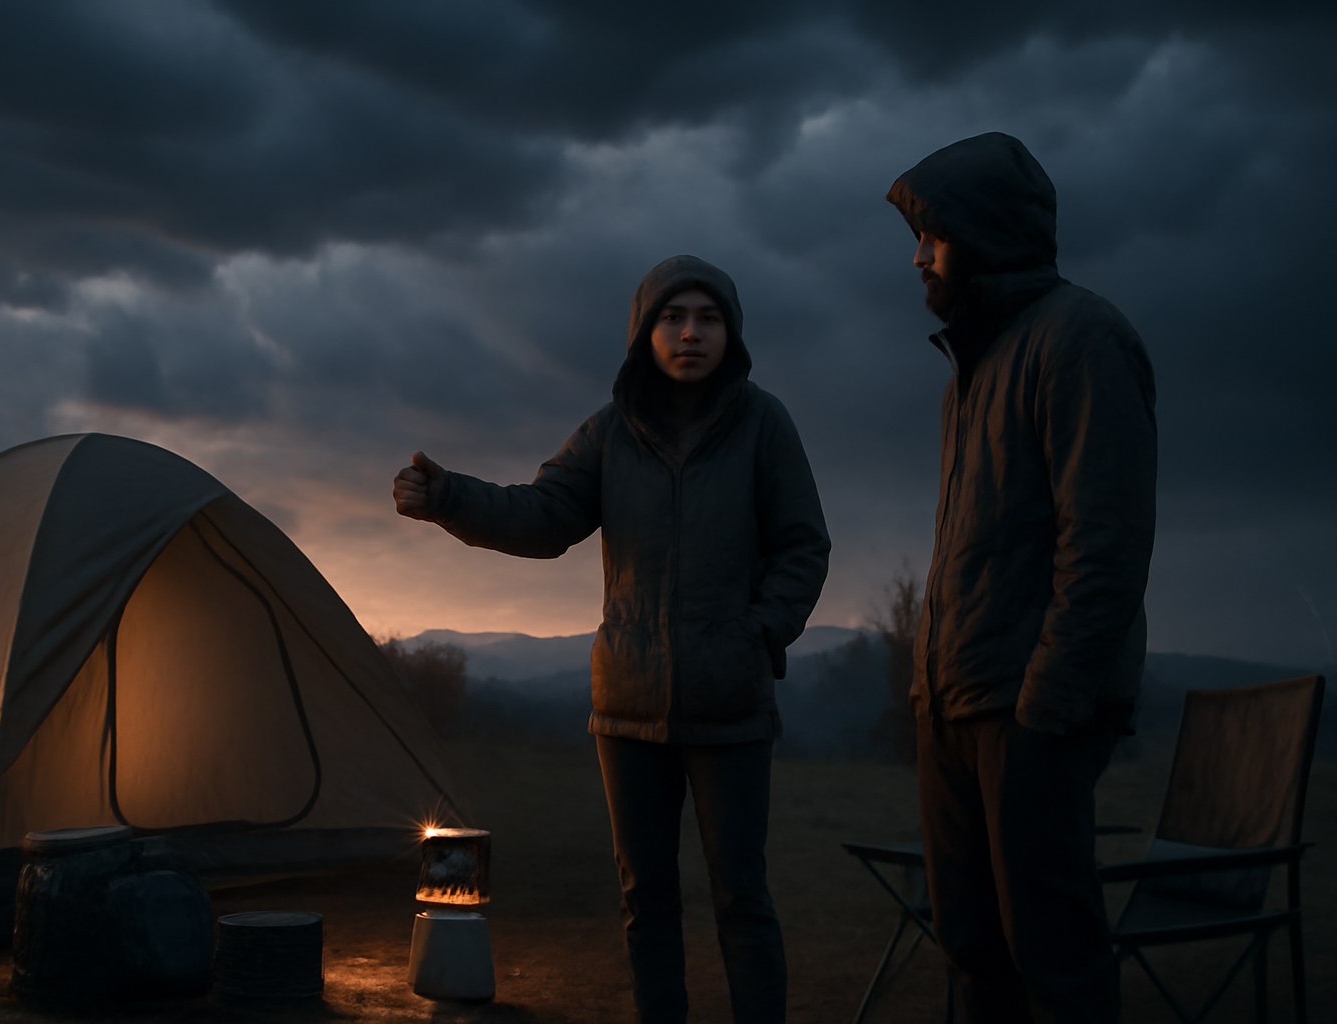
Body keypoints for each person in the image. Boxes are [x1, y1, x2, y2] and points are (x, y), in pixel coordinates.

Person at [394, 255, 830, 1023]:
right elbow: (542, 515)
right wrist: (449, 497)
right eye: (673, 317)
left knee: (741, 895)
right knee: (645, 898)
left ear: (730, 332)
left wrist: (756, 634)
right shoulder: (610, 432)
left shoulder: (764, 424)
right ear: (644, 331)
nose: (690, 333)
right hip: (626, 709)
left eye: (708, 318)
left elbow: (803, 546)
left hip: (730, 705)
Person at [886, 133, 1157, 1022]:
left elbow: (1106, 544)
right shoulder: (969, 370)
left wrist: (1048, 701)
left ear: (987, 231)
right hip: (955, 703)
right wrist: (926, 689)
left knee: (1054, 956)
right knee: (972, 950)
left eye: (934, 232)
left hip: (1029, 708)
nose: (920, 253)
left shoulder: (1082, 338)